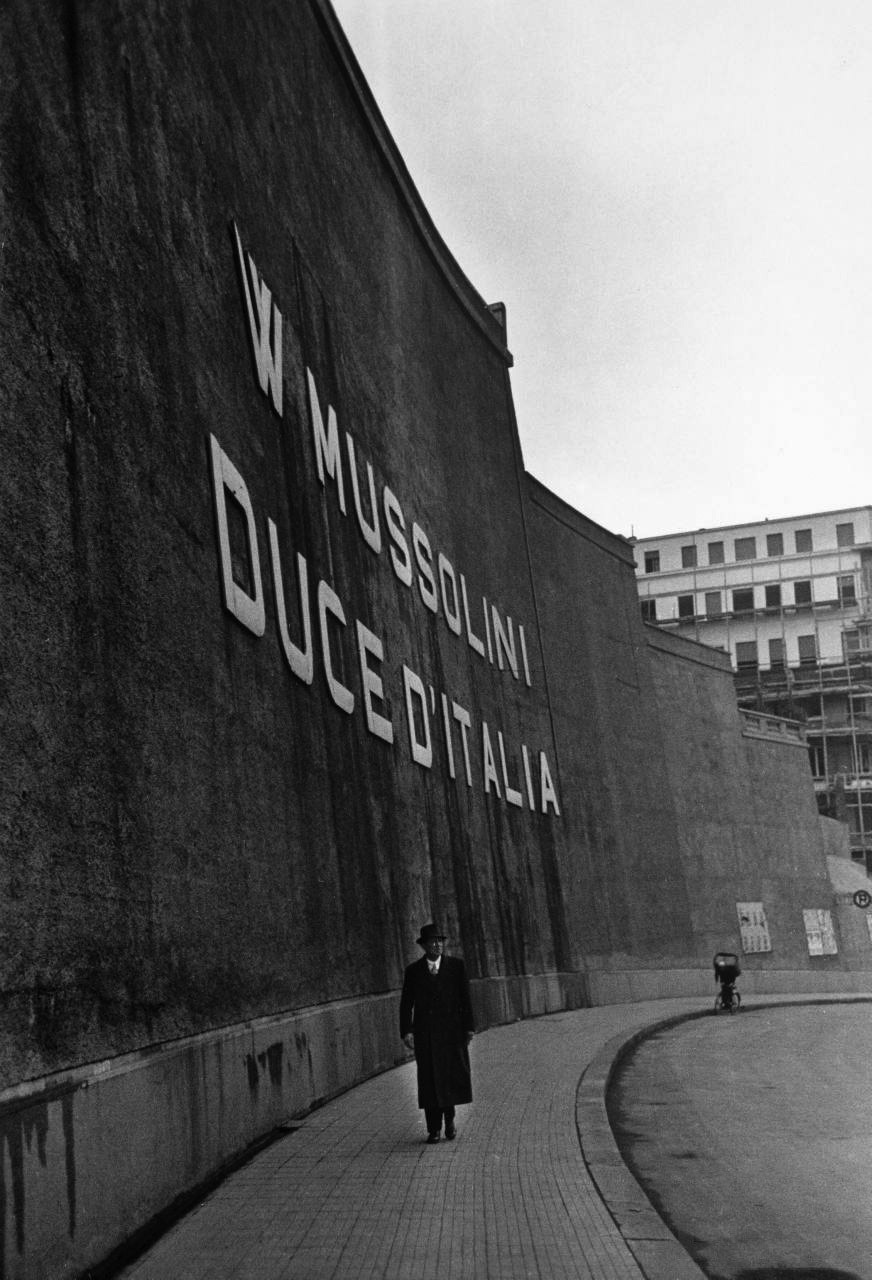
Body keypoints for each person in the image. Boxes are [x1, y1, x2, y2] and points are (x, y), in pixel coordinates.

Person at [400, 922, 475, 1143]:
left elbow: (465, 999)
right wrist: (406, 1031)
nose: (437, 945)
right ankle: (433, 1129)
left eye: (440, 941)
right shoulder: (414, 971)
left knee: (449, 1080)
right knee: (429, 1081)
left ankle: (449, 1121)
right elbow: (406, 1003)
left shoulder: (456, 967)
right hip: (426, 1036)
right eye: (433, 941)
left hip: (451, 1035)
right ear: (423, 946)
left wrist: (469, 1027)